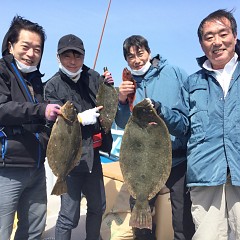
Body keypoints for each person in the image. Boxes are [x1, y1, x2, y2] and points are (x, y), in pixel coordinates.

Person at [150, 9, 240, 240]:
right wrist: (161, 112)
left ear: (235, 36)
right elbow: (183, 127)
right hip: (205, 175)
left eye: (223, 34)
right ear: (201, 44)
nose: (217, 42)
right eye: (209, 37)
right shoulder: (193, 82)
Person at [115, 35, 195, 240]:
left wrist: (162, 112)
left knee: (183, 219)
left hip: (177, 158)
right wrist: (122, 101)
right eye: (130, 56)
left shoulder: (175, 73)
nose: (137, 60)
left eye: (140, 53)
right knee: (140, 215)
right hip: (142, 163)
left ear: (149, 52)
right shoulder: (128, 83)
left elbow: (188, 121)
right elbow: (124, 124)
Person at [44, 34, 114, 240]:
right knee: (68, 215)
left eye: (78, 56)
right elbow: (51, 124)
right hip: (69, 157)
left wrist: (108, 86)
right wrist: (80, 119)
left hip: (93, 154)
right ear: (58, 58)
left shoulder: (92, 77)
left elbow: (106, 105)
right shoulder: (52, 86)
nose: (73, 61)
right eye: (67, 56)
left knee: (98, 206)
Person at [0, 16, 61, 240]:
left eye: (37, 49)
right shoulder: (2, 72)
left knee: (34, 229)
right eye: (25, 46)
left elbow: (41, 118)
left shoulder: (36, 82)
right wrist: (40, 111)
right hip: (6, 168)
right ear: (10, 45)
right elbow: (2, 108)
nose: (31, 53)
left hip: (36, 167)